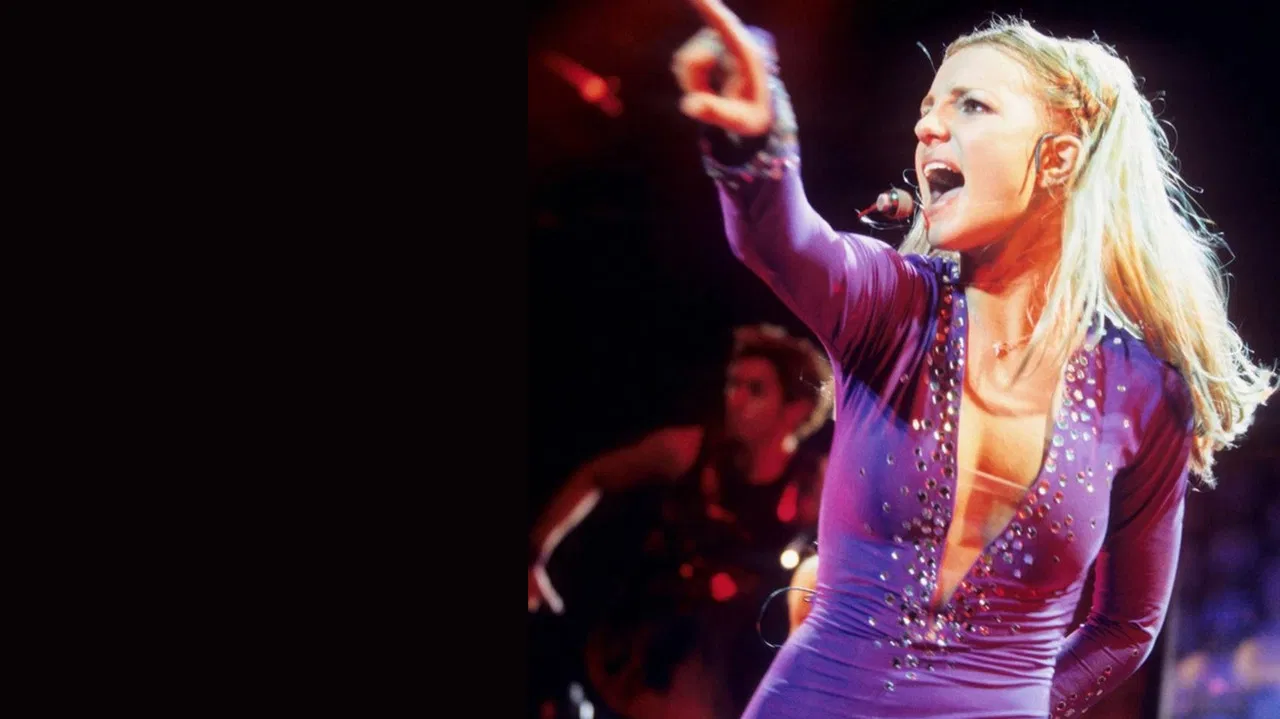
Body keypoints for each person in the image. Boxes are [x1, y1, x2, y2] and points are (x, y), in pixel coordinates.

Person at [669, 1, 1277, 717]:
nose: (927, 126)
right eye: (927, 108)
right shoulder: (892, 307)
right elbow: (784, 240)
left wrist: (1011, 705)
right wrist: (753, 143)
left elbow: (1127, 628)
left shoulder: (1146, 393)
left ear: (1057, 158)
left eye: (971, 105)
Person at [528, 322, 834, 718]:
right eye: (733, 384)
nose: (735, 399)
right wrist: (534, 555)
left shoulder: (815, 484)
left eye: (755, 389)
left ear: (796, 409)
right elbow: (596, 475)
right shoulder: (689, 449)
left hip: (734, 672)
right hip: (641, 654)